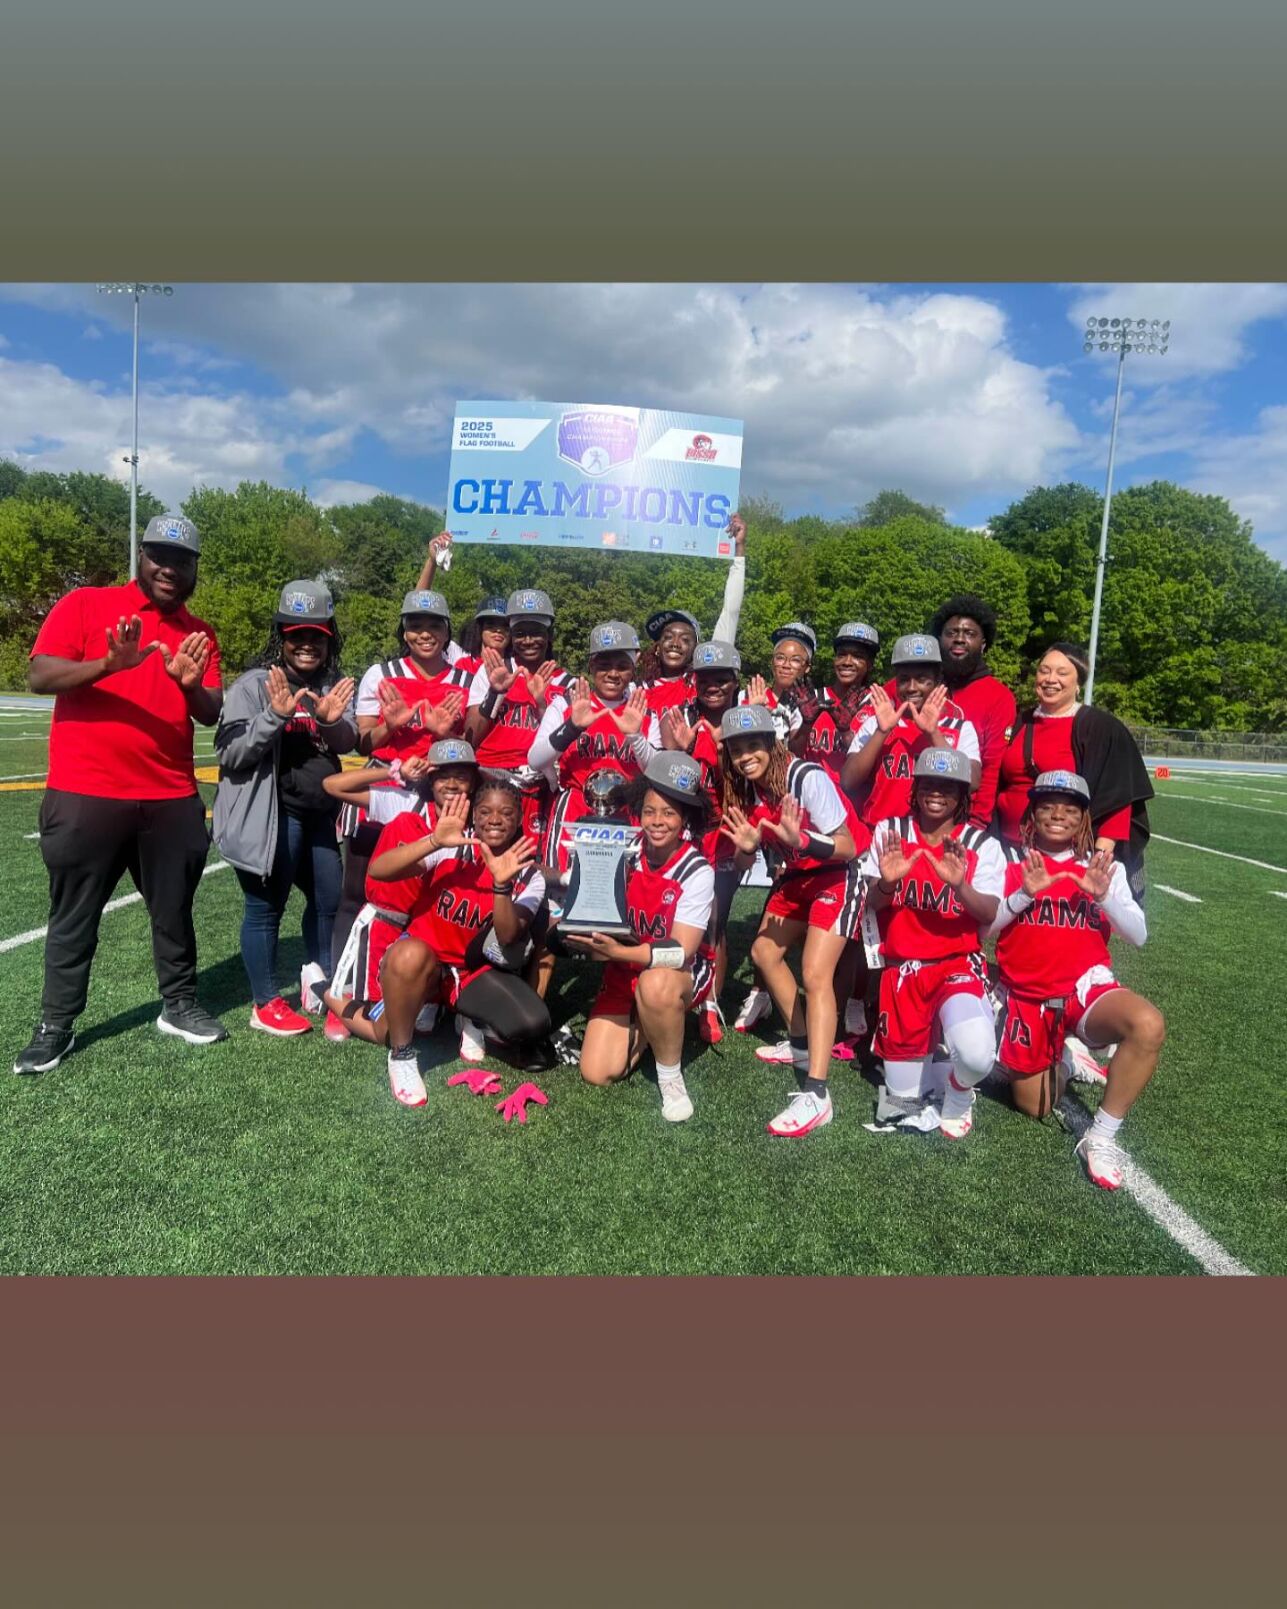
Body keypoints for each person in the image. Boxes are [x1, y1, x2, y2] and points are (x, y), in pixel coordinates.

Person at [16, 513, 227, 1074]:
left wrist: (189, 686)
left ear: (193, 569)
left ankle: (179, 1004)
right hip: (86, 792)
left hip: (170, 795)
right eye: (159, 556)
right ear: (141, 556)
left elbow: (211, 710)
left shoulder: (200, 633)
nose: (168, 569)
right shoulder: (87, 604)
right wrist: (108, 665)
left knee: (174, 911)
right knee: (74, 916)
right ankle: (56, 1024)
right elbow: (40, 675)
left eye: (181, 561)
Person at [989, 770, 1163, 1190]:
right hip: (1028, 995)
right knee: (1035, 1106)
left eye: (1069, 809)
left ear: (1084, 818)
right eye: (1047, 807)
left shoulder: (1103, 869)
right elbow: (983, 929)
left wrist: (1102, 896)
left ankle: (1100, 1137)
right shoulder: (1009, 861)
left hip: (1086, 988)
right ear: (1032, 813)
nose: (1057, 816)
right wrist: (1024, 894)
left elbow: (1139, 935)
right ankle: (1068, 1059)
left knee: (1147, 1024)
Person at [212, 581, 357, 1037]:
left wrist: (330, 723)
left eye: (317, 635)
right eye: (297, 635)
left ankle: (324, 987)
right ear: (281, 637)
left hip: (320, 817)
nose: (307, 644)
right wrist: (274, 716)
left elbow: (348, 741)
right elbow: (231, 752)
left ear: (329, 638)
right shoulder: (255, 684)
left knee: (329, 900)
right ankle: (265, 1002)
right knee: (266, 907)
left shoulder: (331, 684)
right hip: (274, 816)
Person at [717, 705, 867, 1137]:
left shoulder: (807, 777)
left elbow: (849, 845)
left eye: (754, 745)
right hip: (800, 876)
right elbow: (746, 859)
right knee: (764, 952)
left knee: (815, 973)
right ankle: (801, 1043)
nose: (746, 756)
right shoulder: (750, 789)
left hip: (839, 873)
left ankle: (817, 1094)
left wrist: (801, 840)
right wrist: (748, 847)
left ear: (773, 744)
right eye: (737, 749)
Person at [368, 770, 552, 1110]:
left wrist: (501, 885)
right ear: (473, 816)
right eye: (485, 812)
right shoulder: (453, 847)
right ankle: (401, 1054)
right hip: (423, 962)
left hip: (468, 971)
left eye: (506, 813)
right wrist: (434, 842)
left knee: (531, 1023)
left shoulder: (528, 873)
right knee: (385, 1032)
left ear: (519, 819)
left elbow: (508, 935)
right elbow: (379, 870)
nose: (494, 820)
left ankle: (462, 1012)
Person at [861, 748, 1005, 1139]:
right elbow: (870, 903)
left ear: (962, 795)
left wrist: (960, 886)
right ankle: (936, 1071)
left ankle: (959, 1090)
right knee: (899, 1105)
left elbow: (989, 912)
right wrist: (887, 882)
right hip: (902, 971)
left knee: (977, 1057)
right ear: (916, 788)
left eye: (948, 787)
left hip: (955, 963)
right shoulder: (891, 831)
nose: (937, 793)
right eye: (929, 784)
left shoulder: (980, 844)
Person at [331, 587, 472, 976]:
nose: (424, 634)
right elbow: (364, 741)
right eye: (415, 625)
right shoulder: (381, 674)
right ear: (404, 631)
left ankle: (405, 980)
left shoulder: (466, 678)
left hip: (438, 797)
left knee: (424, 893)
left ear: (447, 631)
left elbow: (471, 744)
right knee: (357, 893)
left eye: (434, 626)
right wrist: (391, 727)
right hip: (384, 787)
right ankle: (343, 985)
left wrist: (442, 734)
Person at [570, 752, 715, 1123]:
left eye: (669, 813)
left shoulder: (696, 869)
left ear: (685, 819)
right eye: (649, 811)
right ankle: (650, 1029)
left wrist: (618, 953)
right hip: (624, 964)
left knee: (655, 986)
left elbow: (680, 952)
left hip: (675, 971)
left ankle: (670, 1075)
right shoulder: (625, 852)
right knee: (597, 1073)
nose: (657, 821)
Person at [322, 743, 475, 1046]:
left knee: (418, 1019)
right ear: (430, 779)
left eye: (461, 776)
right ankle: (326, 991)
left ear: (473, 781)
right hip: (388, 924)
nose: (452, 784)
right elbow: (332, 786)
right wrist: (394, 772)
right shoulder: (406, 804)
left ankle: (440, 1002)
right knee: (387, 1027)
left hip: (430, 933)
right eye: (442, 776)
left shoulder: (477, 820)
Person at [995, 641, 1153, 900]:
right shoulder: (1020, 721)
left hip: (1067, 858)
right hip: (1010, 850)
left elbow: (1118, 799)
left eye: (1062, 673)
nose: (1050, 679)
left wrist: (1099, 858)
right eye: (1044, 670)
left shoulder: (1101, 728)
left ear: (1079, 682)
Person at [650, 640, 744, 1043]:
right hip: (684, 829)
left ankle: (710, 1004)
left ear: (734, 681)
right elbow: (662, 772)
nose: (713, 686)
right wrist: (679, 750)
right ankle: (667, 991)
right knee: (673, 915)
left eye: (722, 679)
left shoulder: (744, 718)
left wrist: (724, 752)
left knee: (715, 921)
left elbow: (750, 781)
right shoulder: (680, 715)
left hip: (726, 830)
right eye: (706, 679)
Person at [530, 621, 652, 877]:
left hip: (627, 813)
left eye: (622, 666)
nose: (613, 674)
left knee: (621, 889)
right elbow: (535, 759)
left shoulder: (642, 708)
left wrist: (635, 736)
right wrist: (573, 727)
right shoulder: (567, 703)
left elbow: (655, 770)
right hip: (575, 809)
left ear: (633, 668)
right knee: (564, 885)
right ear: (591, 666)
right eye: (604, 665)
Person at [841, 634, 980, 827]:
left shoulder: (960, 727)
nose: (912, 688)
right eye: (904, 679)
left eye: (922, 679)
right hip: (881, 834)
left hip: (936, 837)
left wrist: (933, 734)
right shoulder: (876, 724)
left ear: (937, 679)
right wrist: (881, 732)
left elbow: (973, 782)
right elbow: (848, 781)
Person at [464, 588, 566, 845]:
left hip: (540, 787)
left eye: (536, 632)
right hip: (491, 783)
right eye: (520, 633)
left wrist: (542, 706)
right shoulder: (492, 671)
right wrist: (495, 693)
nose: (528, 640)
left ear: (550, 634)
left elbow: (563, 750)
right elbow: (471, 738)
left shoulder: (566, 683)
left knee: (533, 859)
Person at [638, 512, 749, 713]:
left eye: (685, 639)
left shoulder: (702, 684)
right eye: (668, 637)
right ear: (657, 647)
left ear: (696, 649)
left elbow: (730, 612)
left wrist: (739, 548)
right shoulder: (637, 692)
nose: (675, 643)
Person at [924, 594, 1017, 828]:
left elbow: (992, 768)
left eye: (969, 633)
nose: (959, 639)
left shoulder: (999, 697)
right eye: (952, 632)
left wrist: (976, 822)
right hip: (916, 813)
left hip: (966, 820)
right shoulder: (918, 685)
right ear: (939, 639)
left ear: (983, 644)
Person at [798, 621, 881, 780]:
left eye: (858, 656)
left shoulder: (879, 707)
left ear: (870, 664)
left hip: (852, 795)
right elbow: (793, 754)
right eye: (841, 654)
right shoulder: (811, 700)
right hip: (810, 793)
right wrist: (806, 724)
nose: (847, 662)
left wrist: (845, 732)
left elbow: (873, 768)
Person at [453, 596, 511, 676]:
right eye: (491, 625)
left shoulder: (517, 667)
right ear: (479, 628)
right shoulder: (464, 665)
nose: (498, 630)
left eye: (505, 625)